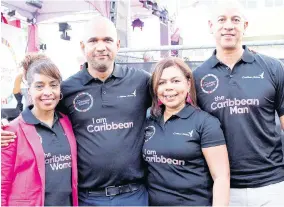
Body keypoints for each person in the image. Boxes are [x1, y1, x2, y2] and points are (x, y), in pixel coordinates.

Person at [1, 17, 151, 206]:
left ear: (118, 44)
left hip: (134, 196)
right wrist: (7, 127)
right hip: (86, 198)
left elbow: (176, 100)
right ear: (82, 46)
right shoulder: (67, 89)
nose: (101, 47)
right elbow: (39, 115)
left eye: (107, 40)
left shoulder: (142, 81)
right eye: (93, 41)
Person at [193, 1, 284, 206]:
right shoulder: (197, 77)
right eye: (221, 20)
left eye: (236, 20)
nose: (228, 26)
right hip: (223, 188)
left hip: (272, 185)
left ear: (245, 25)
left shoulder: (273, 68)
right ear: (210, 26)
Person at [143, 57, 230, 206]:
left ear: (188, 84)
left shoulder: (206, 123)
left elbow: (221, 177)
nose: (169, 87)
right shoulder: (150, 121)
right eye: (161, 82)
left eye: (176, 81)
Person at [1, 54, 78, 206]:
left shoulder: (67, 122)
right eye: (39, 86)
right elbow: (2, 184)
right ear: (28, 90)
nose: (47, 92)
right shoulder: (12, 130)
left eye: (53, 84)